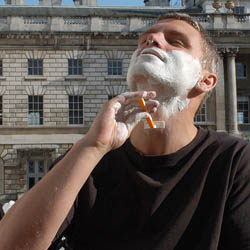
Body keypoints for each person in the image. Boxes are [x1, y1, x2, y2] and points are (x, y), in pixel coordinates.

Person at [1, 13, 250, 250]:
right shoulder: (87, 159)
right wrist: (92, 146)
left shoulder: (235, 161)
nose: (151, 40)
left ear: (206, 80)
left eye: (175, 41)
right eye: (143, 40)